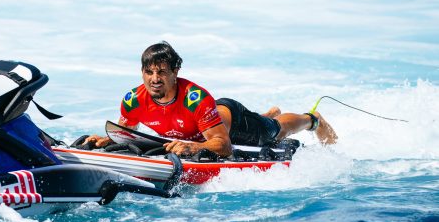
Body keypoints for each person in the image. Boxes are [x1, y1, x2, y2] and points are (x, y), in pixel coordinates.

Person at [84, 41, 337, 157]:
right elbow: (127, 131)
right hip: (210, 124)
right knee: (262, 122)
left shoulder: (195, 98)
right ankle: (266, 113)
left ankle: (312, 119)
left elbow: (224, 147)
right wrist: (107, 140)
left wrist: (197, 147)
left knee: (274, 131)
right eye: (148, 72)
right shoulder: (133, 100)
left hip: (232, 122)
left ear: (175, 73)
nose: (154, 79)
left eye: (161, 72)